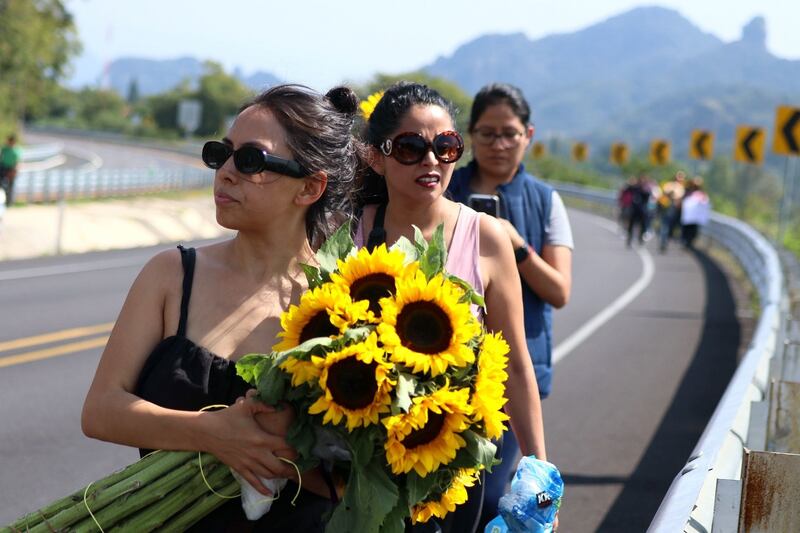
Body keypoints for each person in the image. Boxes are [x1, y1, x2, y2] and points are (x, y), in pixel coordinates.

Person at [82, 84, 363, 532]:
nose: (226, 172)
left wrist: (284, 453)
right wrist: (211, 434)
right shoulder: (170, 274)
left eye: (250, 160)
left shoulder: (350, 304)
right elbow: (101, 411)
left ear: (309, 187)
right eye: (221, 154)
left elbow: (356, 480)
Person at [356, 81, 548, 533]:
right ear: (375, 156)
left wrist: (540, 471)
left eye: (445, 146)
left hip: (453, 469)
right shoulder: (348, 234)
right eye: (409, 147)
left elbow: (516, 365)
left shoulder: (487, 237)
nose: (430, 161)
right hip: (359, 468)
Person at [446, 83, 572, 527]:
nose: (498, 144)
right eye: (487, 133)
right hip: (445, 374)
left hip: (514, 376)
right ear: (470, 136)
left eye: (509, 133)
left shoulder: (545, 200)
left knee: (496, 497)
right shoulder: (442, 188)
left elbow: (559, 290)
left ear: (528, 135)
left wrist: (516, 248)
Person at [621, 173, 653, 247]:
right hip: (634, 210)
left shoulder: (646, 190)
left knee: (642, 225)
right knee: (631, 225)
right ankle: (629, 239)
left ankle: (640, 239)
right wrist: (630, 182)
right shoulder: (635, 188)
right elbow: (626, 189)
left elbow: (648, 196)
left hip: (642, 211)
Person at [657, 170, 686, 252]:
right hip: (668, 207)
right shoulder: (670, 185)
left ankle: (667, 241)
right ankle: (663, 242)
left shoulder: (682, 187)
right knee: (665, 226)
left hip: (677, 210)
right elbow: (664, 193)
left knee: (671, 227)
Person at [680, 177, 711, 249]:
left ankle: (688, 243)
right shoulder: (688, 192)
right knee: (686, 230)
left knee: (693, 231)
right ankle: (685, 241)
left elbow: (706, 202)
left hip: (695, 217)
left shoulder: (702, 194)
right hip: (687, 216)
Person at [0, 135, 21, 207]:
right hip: (3, 168)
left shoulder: (17, 150)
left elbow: (17, 161)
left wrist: (15, 170)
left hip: (12, 168)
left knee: (10, 186)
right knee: (2, 185)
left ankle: (9, 202)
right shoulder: (4, 149)